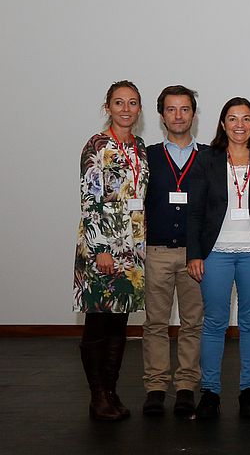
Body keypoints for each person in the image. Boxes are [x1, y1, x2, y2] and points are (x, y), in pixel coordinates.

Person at [187, 97, 250, 419]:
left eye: (246, 119)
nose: (239, 125)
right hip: (216, 254)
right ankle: (210, 392)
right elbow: (194, 212)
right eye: (232, 119)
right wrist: (194, 254)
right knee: (214, 323)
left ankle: (248, 390)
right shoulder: (207, 159)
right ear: (223, 124)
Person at [74, 80, 149, 421]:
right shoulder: (97, 145)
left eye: (132, 103)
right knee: (98, 322)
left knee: (120, 323)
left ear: (139, 108)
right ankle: (97, 396)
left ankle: (111, 390)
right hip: (101, 247)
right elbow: (90, 200)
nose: (125, 109)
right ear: (108, 107)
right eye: (119, 103)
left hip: (132, 250)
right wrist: (101, 248)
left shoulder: (140, 146)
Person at [140, 85, 205, 417]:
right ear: (161, 114)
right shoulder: (146, 155)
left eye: (184, 109)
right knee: (155, 323)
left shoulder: (210, 155)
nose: (178, 115)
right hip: (157, 252)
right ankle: (155, 387)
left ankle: (185, 387)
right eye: (171, 109)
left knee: (193, 323)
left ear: (194, 114)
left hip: (196, 256)